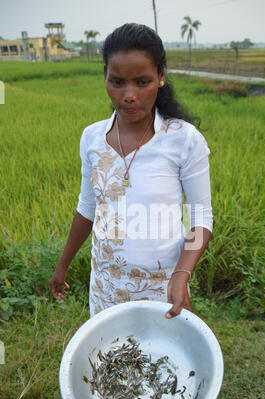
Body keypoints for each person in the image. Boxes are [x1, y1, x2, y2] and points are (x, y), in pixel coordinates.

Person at [49, 23, 213, 320]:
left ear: (161, 77)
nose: (129, 95)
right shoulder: (92, 138)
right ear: (105, 78)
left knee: (159, 362)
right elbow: (87, 208)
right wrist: (63, 265)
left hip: (163, 284)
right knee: (110, 359)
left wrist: (182, 274)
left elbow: (200, 217)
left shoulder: (184, 140)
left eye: (142, 82)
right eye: (117, 82)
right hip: (106, 283)